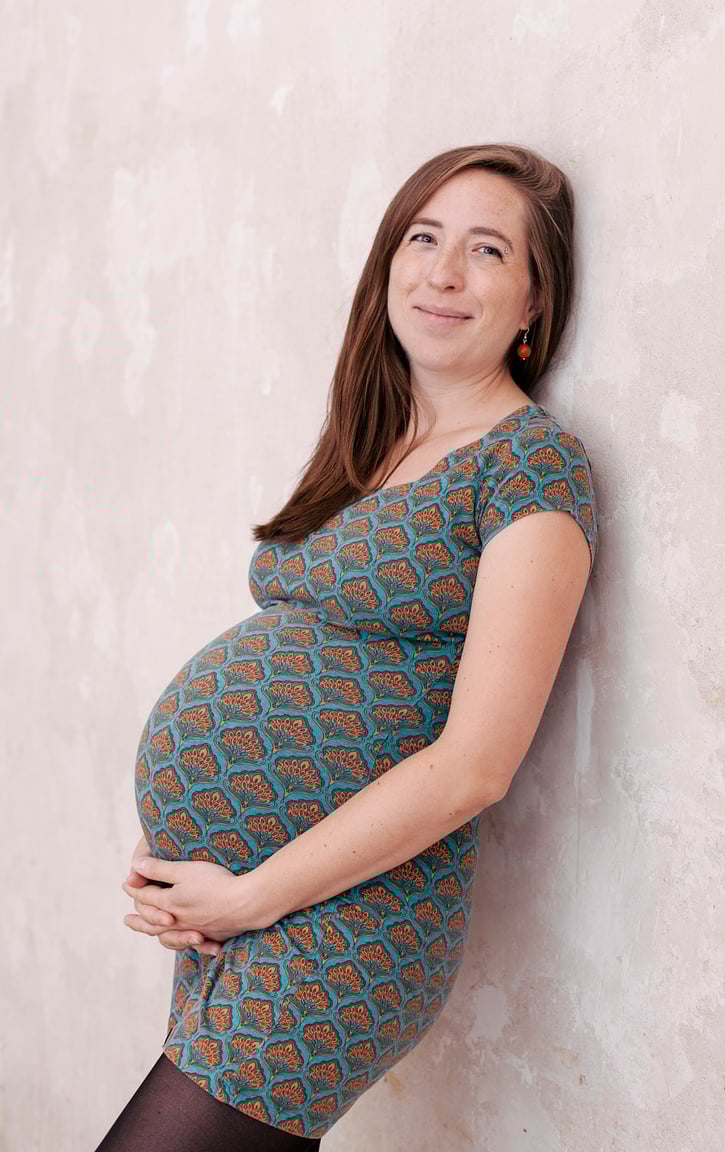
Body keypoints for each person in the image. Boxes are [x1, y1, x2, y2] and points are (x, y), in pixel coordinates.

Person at [96, 142, 599, 1150]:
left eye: (488, 251)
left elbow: (476, 766)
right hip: (243, 919)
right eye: (423, 238)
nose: (443, 272)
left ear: (534, 306)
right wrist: (196, 866)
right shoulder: (369, 448)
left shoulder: (532, 468)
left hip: (343, 927)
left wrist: (248, 893)